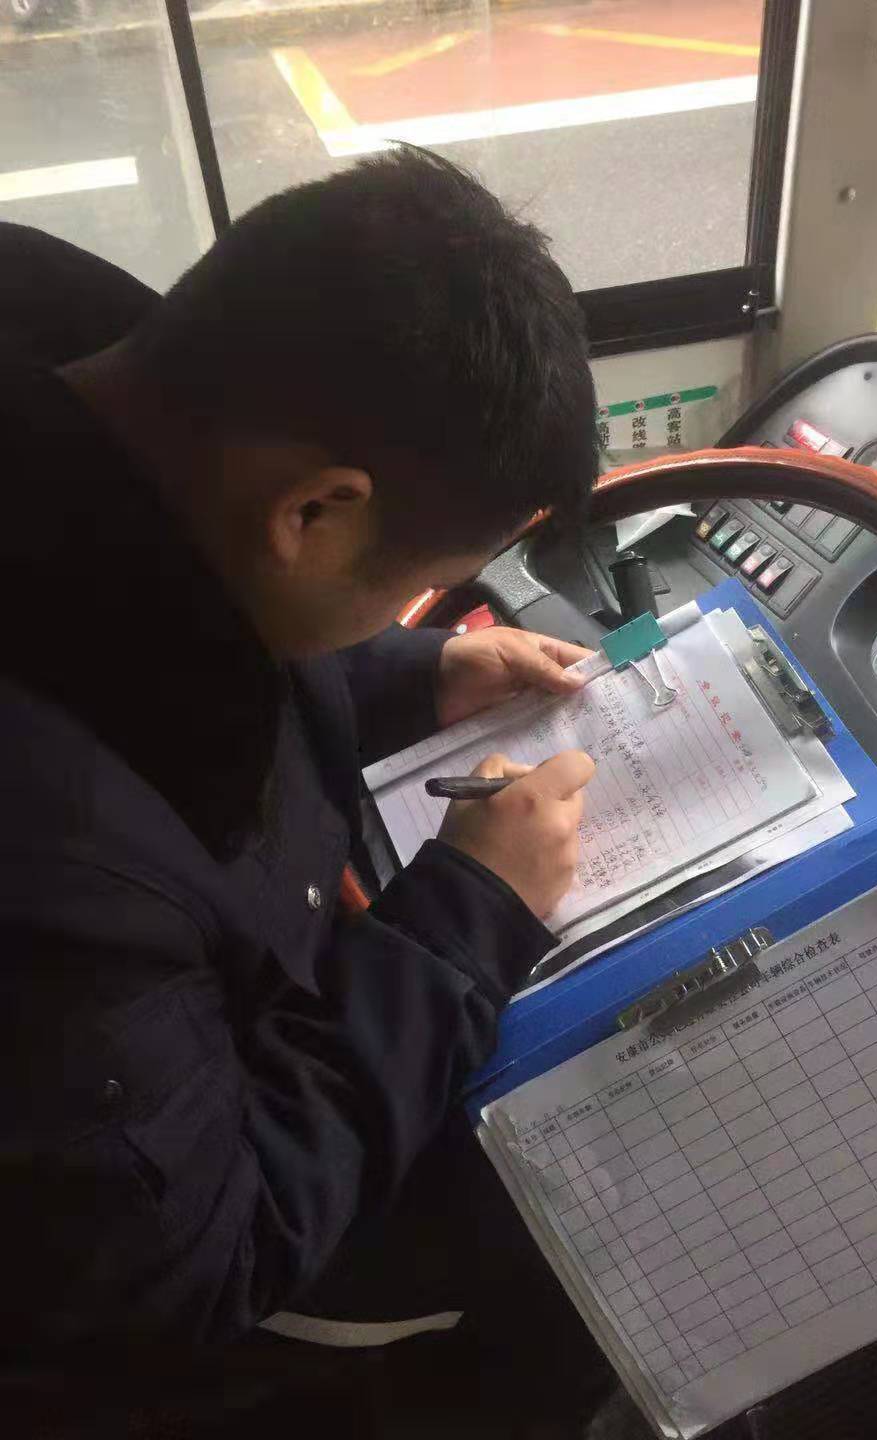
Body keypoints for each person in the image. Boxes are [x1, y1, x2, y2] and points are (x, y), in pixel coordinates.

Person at [0, 149, 612, 1431]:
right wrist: (467, 920)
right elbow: (198, 1257)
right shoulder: (56, 867)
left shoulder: (93, 381)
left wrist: (414, 672)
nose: (408, 607)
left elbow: (189, 585)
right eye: (414, 585)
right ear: (318, 513)